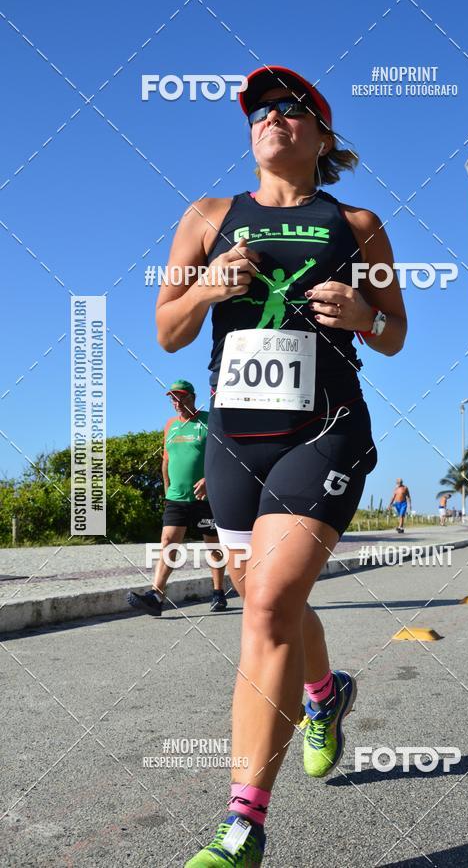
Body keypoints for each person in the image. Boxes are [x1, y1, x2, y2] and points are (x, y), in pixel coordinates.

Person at [156, 65, 407, 866]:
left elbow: (396, 331)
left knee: (265, 604)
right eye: (262, 109)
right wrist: (204, 290)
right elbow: (167, 331)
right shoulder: (207, 215)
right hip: (235, 439)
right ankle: (325, 694)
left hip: (325, 430)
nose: (275, 117)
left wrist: (363, 313)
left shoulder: (358, 222)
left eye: (294, 108)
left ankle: (242, 827)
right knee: (279, 602)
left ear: (322, 138)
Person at [127, 380, 227, 617]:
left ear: (193, 397)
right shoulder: (170, 426)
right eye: (173, 399)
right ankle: (156, 596)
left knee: (212, 546)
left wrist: (209, 481)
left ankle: (218, 591)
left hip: (205, 498)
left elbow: (223, 455)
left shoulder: (208, 421)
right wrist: (167, 490)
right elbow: (166, 460)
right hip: (176, 498)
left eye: (182, 398)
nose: (177, 403)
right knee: (168, 542)